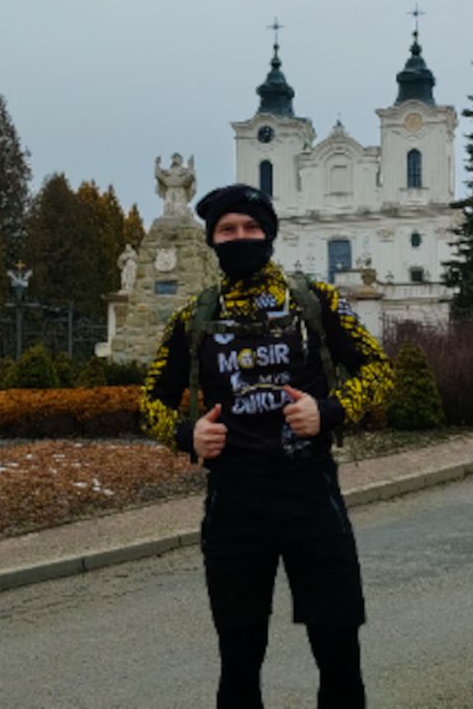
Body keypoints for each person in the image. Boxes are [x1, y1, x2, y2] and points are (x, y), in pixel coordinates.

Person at [141, 184, 392, 708]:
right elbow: (150, 402)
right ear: (212, 240)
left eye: (250, 228)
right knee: (239, 658)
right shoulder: (193, 316)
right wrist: (189, 435)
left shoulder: (314, 303)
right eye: (227, 230)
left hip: (311, 498)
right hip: (234, 507)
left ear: (270, 234)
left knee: (338, 649)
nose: (240, 238)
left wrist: (327, 411)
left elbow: (379, 371)